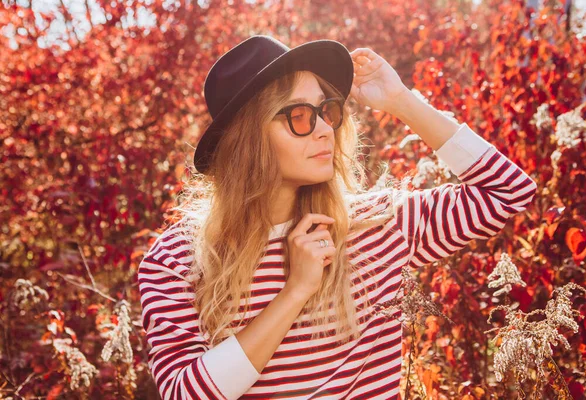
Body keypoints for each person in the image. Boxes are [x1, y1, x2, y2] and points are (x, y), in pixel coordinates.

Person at [137, 35, 537, 399]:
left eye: (326, 110)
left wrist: (401, 101)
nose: (325, 130)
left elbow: (508, 192)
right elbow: (183, 393)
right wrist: (295, 292)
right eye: (299, 116)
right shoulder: (178, 259)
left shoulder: (376, 226)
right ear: (248, 137)